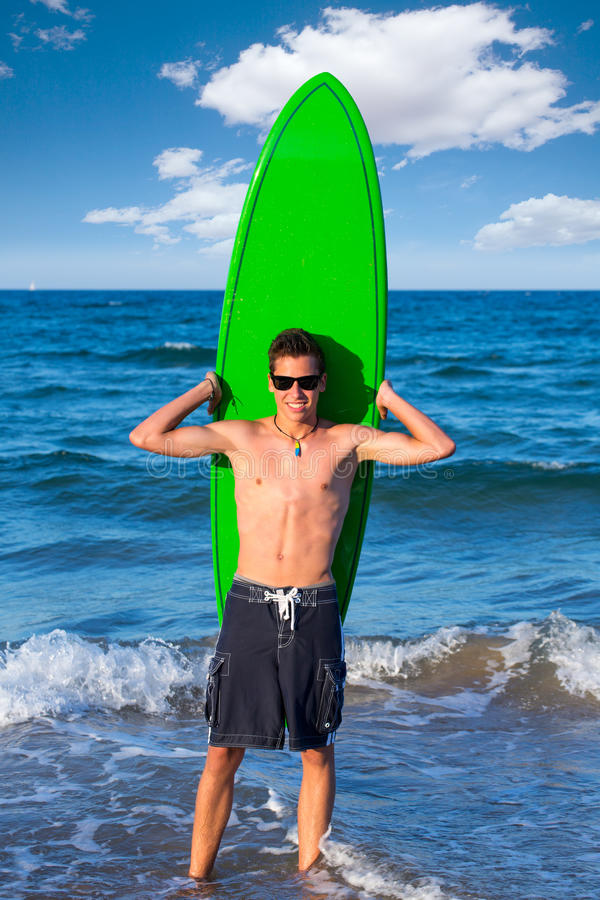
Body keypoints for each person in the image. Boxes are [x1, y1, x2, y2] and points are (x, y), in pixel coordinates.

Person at [129, 327, 455, 879]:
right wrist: (204, 387)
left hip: (315, 606)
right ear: (272, 383)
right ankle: (197, 879)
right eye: (285, 382)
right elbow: (147, 437)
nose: (296, 392)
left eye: (306, 381)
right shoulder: (240, 437)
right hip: (250, 605)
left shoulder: (349, 441)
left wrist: (389, 400)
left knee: (316, 750)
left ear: (322, 383)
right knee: (223, 750)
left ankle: (312, 878)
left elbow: (437, 448)